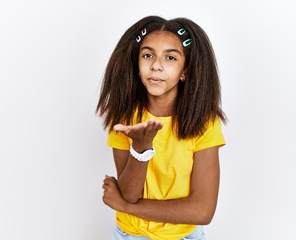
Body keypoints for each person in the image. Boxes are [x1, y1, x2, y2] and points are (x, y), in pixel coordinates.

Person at [96, 15, 226, 240]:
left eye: (170, 58)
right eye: (148, 55)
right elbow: (129, 194)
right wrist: (141, 148)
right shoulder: (124, 117)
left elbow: (203, 211)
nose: (156, 65)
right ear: (137, 65)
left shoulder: (204, 122)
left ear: (185, 70)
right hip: (131, 235)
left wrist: (128, 208)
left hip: (184, 236)